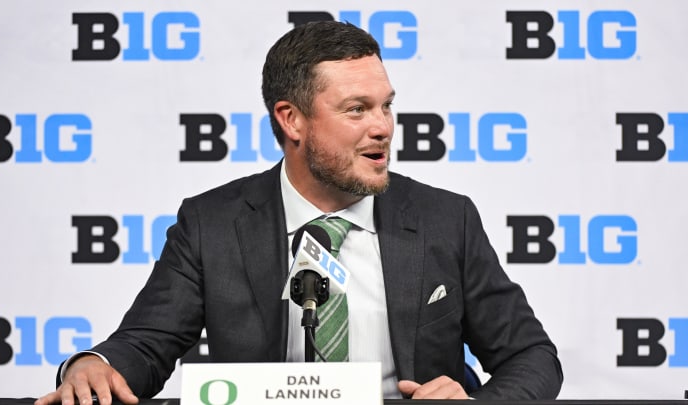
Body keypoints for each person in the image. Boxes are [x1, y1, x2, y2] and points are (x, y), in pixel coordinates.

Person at [35, 21, 562, 405]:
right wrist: (92, 365)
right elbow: (146, 344)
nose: (382, 127)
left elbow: (532, 358)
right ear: (292, 120)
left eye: (386, 105)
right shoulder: (212, 224)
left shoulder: (446, 219)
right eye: (356, 109)